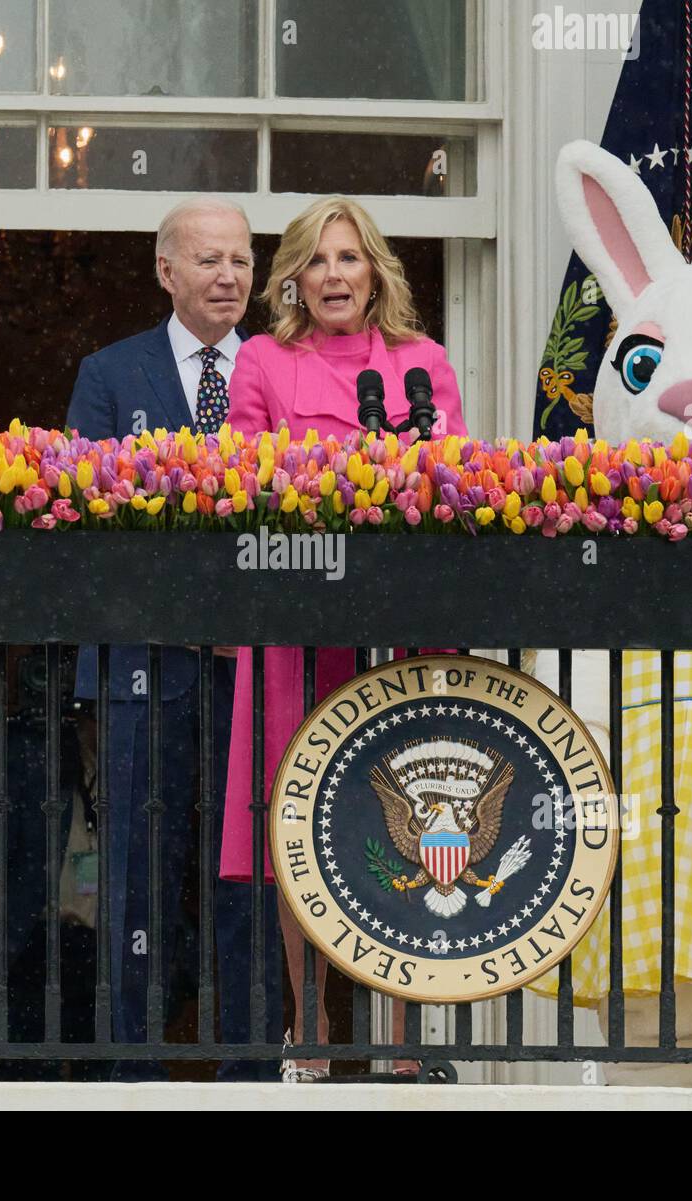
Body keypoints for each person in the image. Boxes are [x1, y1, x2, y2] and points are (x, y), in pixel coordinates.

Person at [219, 197, 467, 1079]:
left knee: (405, 819)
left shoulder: (421, 364)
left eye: (350, 259)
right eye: (318, 261)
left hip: (395, 637)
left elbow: (456, 488)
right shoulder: (262, 360)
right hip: (296, 631)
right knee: (302, 824)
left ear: (375, 274)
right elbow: (238, 486)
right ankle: (313, 1027)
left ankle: (402, 1041)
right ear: (293, 276)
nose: (333, 275)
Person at [65, 196, 283, 1081]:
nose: (229, 276)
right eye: (208, 261)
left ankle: (251, 1065)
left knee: (251, 868)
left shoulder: (275, 370)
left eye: (240, 260)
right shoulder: (111, 374)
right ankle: (135, 1065)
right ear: (166, 271)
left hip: (251, 666)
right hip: (144, 665)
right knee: (138, 871)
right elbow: (81, 521)